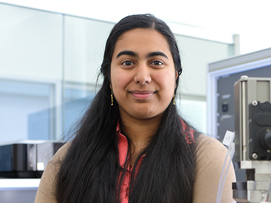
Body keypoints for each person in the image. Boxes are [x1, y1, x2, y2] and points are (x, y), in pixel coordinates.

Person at [35, 14, 235, 203]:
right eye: (127, 62)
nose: (142, 77)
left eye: (156, 63)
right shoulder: (66, 160)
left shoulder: (207, 157)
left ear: (175, 76)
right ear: (109, 78)